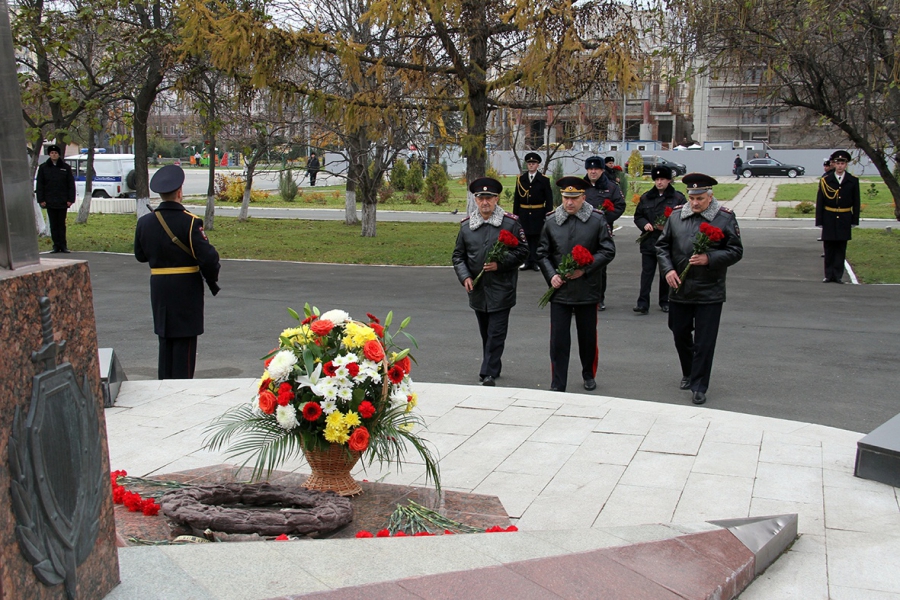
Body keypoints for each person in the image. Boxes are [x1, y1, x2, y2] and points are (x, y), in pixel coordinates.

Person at [656, 173, 743, 406]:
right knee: (679, 332)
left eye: (700, 198)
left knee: (705, 340)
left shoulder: (724, 218)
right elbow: (662, 246)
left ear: (710, 196)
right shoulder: (676, 216)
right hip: (679, 289)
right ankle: (689, 370)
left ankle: (699, 385)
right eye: (692, 198)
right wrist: (668, 270)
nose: (695, 203)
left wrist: (710, 258)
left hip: (709, 290)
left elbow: (736, 251)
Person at [134, 165, 221, 379]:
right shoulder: (190, 222)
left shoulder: (145, 222)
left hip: (160, 287)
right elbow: (209, 257)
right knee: (185, 343)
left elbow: (140, 255)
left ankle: (163, 385)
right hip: (185, 288)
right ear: (180, 192)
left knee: (165, 340)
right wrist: (212, 279)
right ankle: (181, 388)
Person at [537, 176, 616, 392]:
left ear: (583, 197)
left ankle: (588, 374)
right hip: (560, 291)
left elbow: (608, 250)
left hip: (587, 290)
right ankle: (558, 382)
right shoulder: (552, 221)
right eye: (565, 198)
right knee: (558, 341)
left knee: (587, 338)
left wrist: (586, 268)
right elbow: (542, 253)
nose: (569, 203)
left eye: (574, 198)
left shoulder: (597, 219)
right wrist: (551, 275)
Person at [452, 177, 529, 386]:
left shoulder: (510, 223)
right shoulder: (467, 226)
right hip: (478, 291)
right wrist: (465, 276)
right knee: (486, 332)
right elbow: (458, 256)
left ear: (497, 199)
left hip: (502, 288)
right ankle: (493, 363)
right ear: (475, 200)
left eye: (489, 198)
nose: (485, 202)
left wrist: (501, 263)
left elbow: (523, 251)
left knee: (496, 332)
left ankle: (487, 372)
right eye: (480, 198)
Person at [633, 165, 685, 314]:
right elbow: (638, 216)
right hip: (649, 241)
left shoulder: (678, 198)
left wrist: (668, 226)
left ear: (669, 180)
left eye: (662, 179)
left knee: (666, 273)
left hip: (668, 243)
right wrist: (645, 225)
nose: (659, 182)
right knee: (647, 274)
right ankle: (642, 303)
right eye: (657, 179)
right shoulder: (646, 197)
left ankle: (665, 301)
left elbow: (683, 218)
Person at [583, 156, 625, 311]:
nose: (593, 172)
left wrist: (604, 220)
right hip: (582, 231)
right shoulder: (580, 186)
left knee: (600, 266)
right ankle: (583, 296)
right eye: (590, 169)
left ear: (602, 170)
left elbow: (620, 205)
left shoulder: (611, 187)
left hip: (602, 233)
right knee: (581, 263)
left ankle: (599, 298)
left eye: (596, 169)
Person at [815, 150, 859, 284]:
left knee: (841, 247)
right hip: (829, 216)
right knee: (829, 247)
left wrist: (854, 219)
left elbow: (856, 202)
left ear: (846, 165)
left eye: (842, 163)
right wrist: (820, 220)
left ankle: (838, 275)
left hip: (845, 216)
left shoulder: (852, 181)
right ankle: (828, 275)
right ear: (833, 164)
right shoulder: (826, 181)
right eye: (837, 163)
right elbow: (820, 201)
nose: (840, 166)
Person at [512, 152, 553, 271]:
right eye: (529, 163)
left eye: (533, 163)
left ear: (538, 165)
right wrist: (515, 216)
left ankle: (535, 261)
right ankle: (526, 261)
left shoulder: (543, 180)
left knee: (536, 238)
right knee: (524, 238)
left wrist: (547, 214)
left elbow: (548, 200)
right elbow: (517, 199)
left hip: (538, 212)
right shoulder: (521, 179)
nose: (531, 165)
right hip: (524, 212)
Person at [35, 144, 76, 253]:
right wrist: (41, 200)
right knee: (53, 224)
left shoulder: (65, 168)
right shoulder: (44, 168)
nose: (54, 155)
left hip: (62, 201)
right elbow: (40, 185)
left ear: (59, 154)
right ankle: (56, 245)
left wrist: (70, 199)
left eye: (56, 153)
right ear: (49, 154)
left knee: (61, 224)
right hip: (50, 201)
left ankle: (63, 245)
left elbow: (71, 184)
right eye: (52, 153)